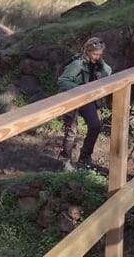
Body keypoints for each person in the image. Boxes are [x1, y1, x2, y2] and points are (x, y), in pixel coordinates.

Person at [57, 37, 112, 170]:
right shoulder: (77, 64)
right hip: (72, 98)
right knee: (71, 130)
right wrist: (80, 88)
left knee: (95, 126)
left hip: (86, 99)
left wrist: (101, 61)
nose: (97, 57)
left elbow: (108, 72)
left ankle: (85, 158)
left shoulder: (97, 62)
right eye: (95, 54)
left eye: (100, 54)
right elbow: (62, 81)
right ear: (87, 51)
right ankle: (65, 160)